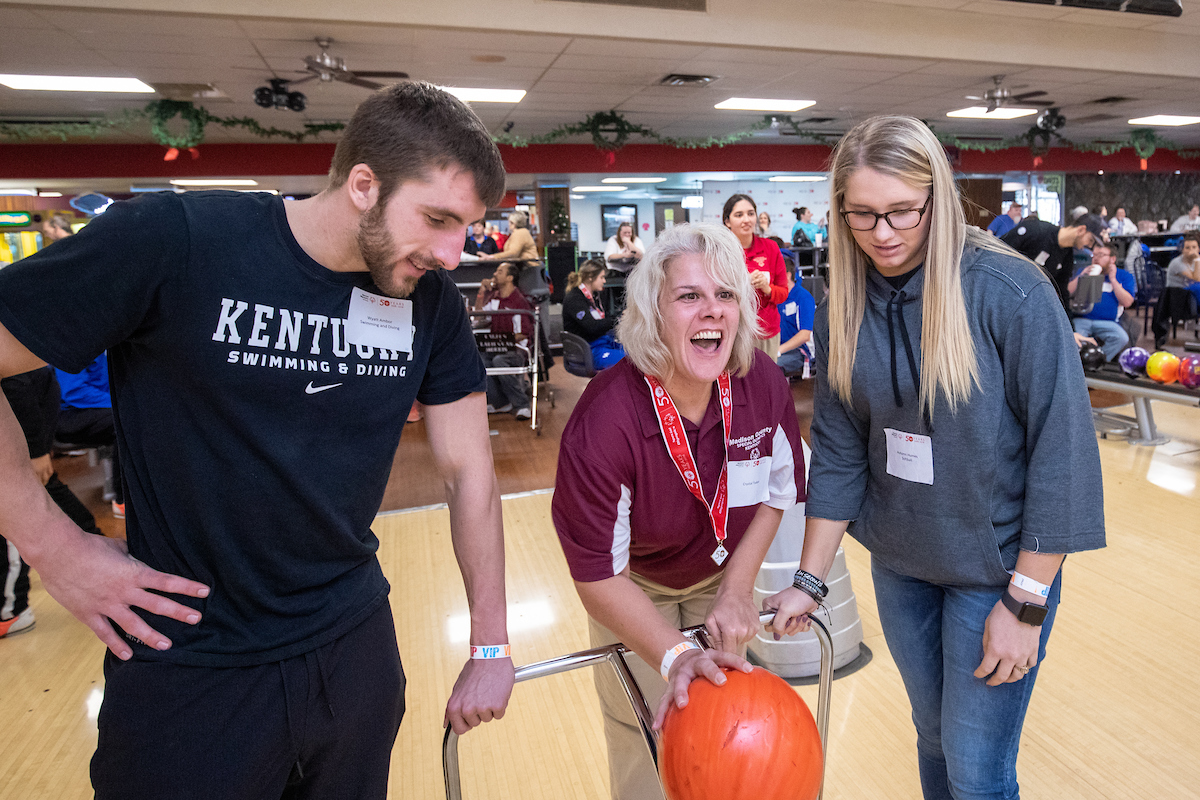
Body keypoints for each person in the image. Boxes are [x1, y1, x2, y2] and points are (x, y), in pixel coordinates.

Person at [0, 82, 515, 798]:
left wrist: (491, 642)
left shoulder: (427, 303)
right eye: (436, 219)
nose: (453, 251)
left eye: (467, 226)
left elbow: (469, 473)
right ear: (364, 184)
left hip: (353, 651)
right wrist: (54, 550)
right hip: (191, 662)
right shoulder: (177, 241)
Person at [764, 115, 1104, 800]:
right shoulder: (845, 304)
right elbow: (837, 451)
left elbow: (1062, 450)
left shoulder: (1007, 292)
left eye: (900, 213)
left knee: (978, 769)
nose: (882, 234)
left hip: (998, 572)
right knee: (934, 738)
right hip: (904, 566)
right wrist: (810, 578)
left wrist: (1028, 604)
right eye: (861, 216)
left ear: (938, 201)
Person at [553, 222, 805, 800]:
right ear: (651, 313)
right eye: (689, 296)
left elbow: (775, 493)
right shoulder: (606, 419)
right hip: (634, 587)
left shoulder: (760, 382)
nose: (711, 311)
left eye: (725, 295)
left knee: (729, 734)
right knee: (651, 732)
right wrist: (671, 654)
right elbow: (595, 573)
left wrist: (737, 590)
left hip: (721, 575)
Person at [1, 366, 104, 638]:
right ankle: (97, 547)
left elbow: (16, 381)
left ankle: (11, 610)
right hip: (29, 397)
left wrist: (36, 451)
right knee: (43, 491)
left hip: (25, 403)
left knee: (18, 509)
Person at [55, 353, 125, 516]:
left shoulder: (106, 350)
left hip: (93, 408)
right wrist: (117, 404)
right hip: (69, 415)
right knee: (123, 424)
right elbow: (74, 392)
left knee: (134, 419)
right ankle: (122, 500)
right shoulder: (72, 347)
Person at [723, 194, 789, 360]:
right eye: (739, 215)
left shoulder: (771, 248)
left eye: (750, 213)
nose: (746, 219)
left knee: (765, 382)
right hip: (733, 332)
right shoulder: (720, 252)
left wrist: (767, 288)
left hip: (767, 332)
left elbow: (783, 293)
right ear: (727, 221)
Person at [1001, 211, 1107, 311]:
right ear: (1081, 230)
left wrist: (1069, 328)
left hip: (1026, 304)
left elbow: (1062, 291)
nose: (1089, 246)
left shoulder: (1067, 256)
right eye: (1091, 240)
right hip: (1003, 293)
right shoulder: (1036, 230)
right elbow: (999, 251)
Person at [475, 261, 534, 419]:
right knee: (481, 359)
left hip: (517, 350)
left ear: (509, 278)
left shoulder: (520, 302)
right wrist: (481, 291)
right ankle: (499, 402)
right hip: (498, 347)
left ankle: (522, 404)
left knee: (500, 361)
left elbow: (524, 333)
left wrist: (504, 341)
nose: (494, 274)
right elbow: (478, 316)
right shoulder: (494, 298)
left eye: (499, 271)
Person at [1067, 242, 1136, 362]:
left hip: (1107, 321)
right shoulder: (1085, 271)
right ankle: (1078, 366)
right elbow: (1067, 292)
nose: (1096, 258)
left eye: (1101, 255)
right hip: (1082, 319)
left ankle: (1097, 361)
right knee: (1073, 341)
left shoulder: (1123, 276)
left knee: (1121, 338)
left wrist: (1113, 280)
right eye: (1094, 255)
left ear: (1112, 259)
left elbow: (1127, 302)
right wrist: (1082, 276)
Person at [562, 258, 624, 370]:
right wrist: (618, 319)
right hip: (589, 350)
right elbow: (592, 327)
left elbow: (604, 321)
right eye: (601, 277)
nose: (604, 281)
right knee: (630, 361)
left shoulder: (596, 297)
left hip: (604, 342)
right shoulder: (574, 299)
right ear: (590, 278)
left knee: (639, 354)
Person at [776, 267, 816, 378]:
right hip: (778, 349)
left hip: (800, 351)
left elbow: (805, 335)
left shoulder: (803, 297)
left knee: (771, 366)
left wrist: (778, 351)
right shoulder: (775, 298)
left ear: (788, 275)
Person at [1165, 231, 1200, 306]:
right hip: (1177, 294)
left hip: (1189, 292)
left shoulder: (1195, 260)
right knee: (1198, 287)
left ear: (1198, 249)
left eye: (1194, 247)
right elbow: (1196, 279)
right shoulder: (1177, 262)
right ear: (1182, 249)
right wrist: (1197, 259)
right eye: (1187, 248)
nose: (1191, 250)